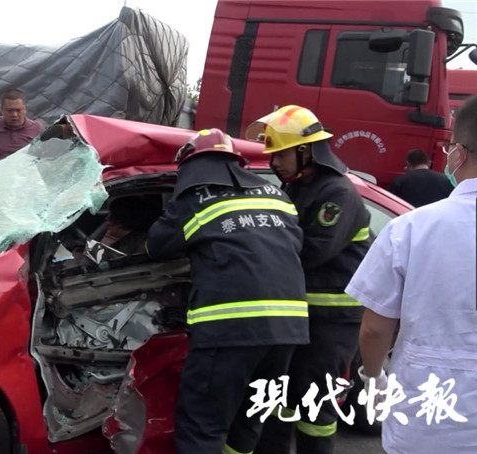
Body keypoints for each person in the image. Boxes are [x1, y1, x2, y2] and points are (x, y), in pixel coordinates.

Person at [146, 129, 309, 454]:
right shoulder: (277, 195)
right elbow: (293, 244)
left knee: (201, 427)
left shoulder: (194, 199)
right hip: (288, 331)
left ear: (191, 167)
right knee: (249, 420)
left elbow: (155, 246)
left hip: (229, 331)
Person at [345, 94, 477, 453]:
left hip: (426, 419)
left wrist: (373, 378)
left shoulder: (409, 229)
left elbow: (375, 329)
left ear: (459, 154)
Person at [247, 105, 372, 454]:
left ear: (306, 150)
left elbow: (312, 250)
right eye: (272, 156)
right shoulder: (297, 187)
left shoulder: (337, 193)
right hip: (301, 314)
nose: (274, 163)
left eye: (281, 154)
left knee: (315, 402)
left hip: (333, 319)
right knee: (281, 396)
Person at [387, 148, 452, 207]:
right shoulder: (446, 181)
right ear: (428, 163)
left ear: (408, 164)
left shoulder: (400, 181)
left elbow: (391, 205)